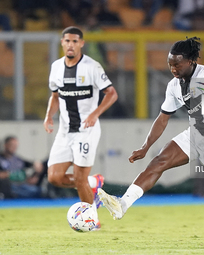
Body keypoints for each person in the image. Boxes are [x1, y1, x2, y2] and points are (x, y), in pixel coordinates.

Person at [98, 37, 204, 244]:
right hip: (196, 132)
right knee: (158, 161)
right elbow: (162, 118)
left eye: (177, 64)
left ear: (190, 61)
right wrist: (145, 147)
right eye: (170, 64)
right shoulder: (173, 85)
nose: (172, 68)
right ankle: (122, 205)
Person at [43, 26, 118, 230]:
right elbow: (55, 96)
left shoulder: (92, 67)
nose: (71, 44)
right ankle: (95, 182)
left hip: (87, 129)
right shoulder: (56, 67)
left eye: (75, 41)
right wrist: (49, 116)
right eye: (67, 41)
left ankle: (93, 222)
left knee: (79, 178)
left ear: (81, 44)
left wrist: (94, 114)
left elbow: (111, 93)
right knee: (54, 177)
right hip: (65, 130)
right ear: (62, 43)